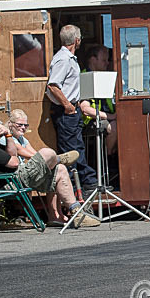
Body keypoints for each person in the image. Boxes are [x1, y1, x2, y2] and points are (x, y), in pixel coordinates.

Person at [0, 105, 97, 227]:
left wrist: (7, 135)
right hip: (11, 180)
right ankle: (58, 159)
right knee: (47, 152)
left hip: (15, 177)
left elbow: (12, 153)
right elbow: (14, 162)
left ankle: (78, 213)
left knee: (60, 169)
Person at [46, 24, 97, 194]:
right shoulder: (63, 59)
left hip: (71, 110)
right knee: (70, 150)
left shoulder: (68, 58)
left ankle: (85, 181)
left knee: (77, 147)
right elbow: (53, 85)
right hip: (65, 111)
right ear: (77, 40)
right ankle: (77, 186)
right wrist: (67, 105)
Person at [79, 44, 117, 155]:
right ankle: (110, 159)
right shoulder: (86, 77)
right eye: (104, 60)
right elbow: (85, 109)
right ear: (93, 59)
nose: (107, 63)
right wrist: (110, 116)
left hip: (106, 115)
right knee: (113, 126)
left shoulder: (103, 76)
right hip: (90, 121)